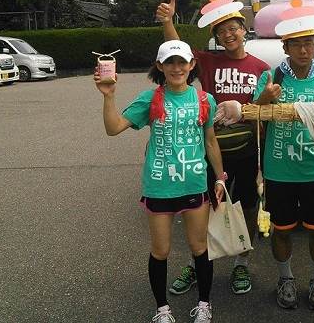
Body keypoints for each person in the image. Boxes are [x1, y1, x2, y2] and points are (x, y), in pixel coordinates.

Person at [94, 39, 225, 323]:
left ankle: (204, 304)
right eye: (170, 62)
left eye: (182, 62)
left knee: (199, 247)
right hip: (160, 185)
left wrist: (220, 178)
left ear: (192, 65)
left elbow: (211, 141)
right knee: (161, 250)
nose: (176, 68)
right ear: (160, 66)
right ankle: (162, 310)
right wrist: (108, 95)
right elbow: (113, 129)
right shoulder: (150, 98)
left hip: (194, 184)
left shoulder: (205, 100)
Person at [156, 0, 269, 296]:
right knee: (203, 208)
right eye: (221, 31)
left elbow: (262, 106)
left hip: (245, 150)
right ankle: (197, 264)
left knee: (245, 206)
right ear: (216, 37)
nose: (228, 35)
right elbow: (177, 49)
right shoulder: (207, 61)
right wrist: (168, 22)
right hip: (207, 149)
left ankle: (241, 263)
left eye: (233, 28)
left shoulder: (261, 67)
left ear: (244, 29)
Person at [252, 0, 314, 310]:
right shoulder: (272, 78)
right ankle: (285, 278)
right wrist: (264, 98)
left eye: (308, 44)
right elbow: (253, 116)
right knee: (282, 229)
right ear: (286, 47)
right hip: (279, 172)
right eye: (296, 44)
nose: (303, 50)